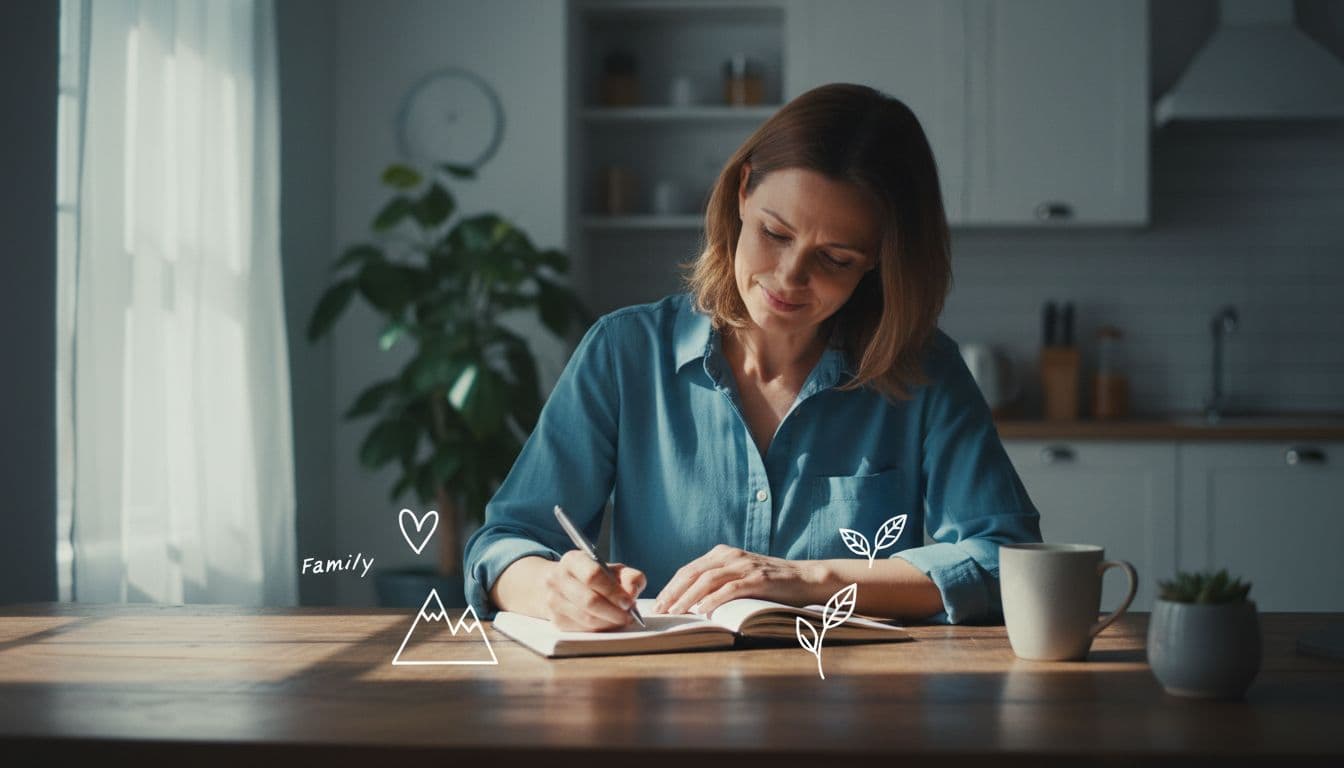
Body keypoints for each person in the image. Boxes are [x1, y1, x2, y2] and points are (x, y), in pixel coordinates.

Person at [463, 83, 1041, 631]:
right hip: (663, 706)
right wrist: (557, 592)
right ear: (742, 192)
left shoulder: (925, 372)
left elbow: (1008, 563)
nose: (789, 278)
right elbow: (504, 543)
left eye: (836, 258)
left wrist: (810, 580)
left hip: (863, 714)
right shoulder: (625, 352)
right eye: (775, 232)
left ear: (879, 262)